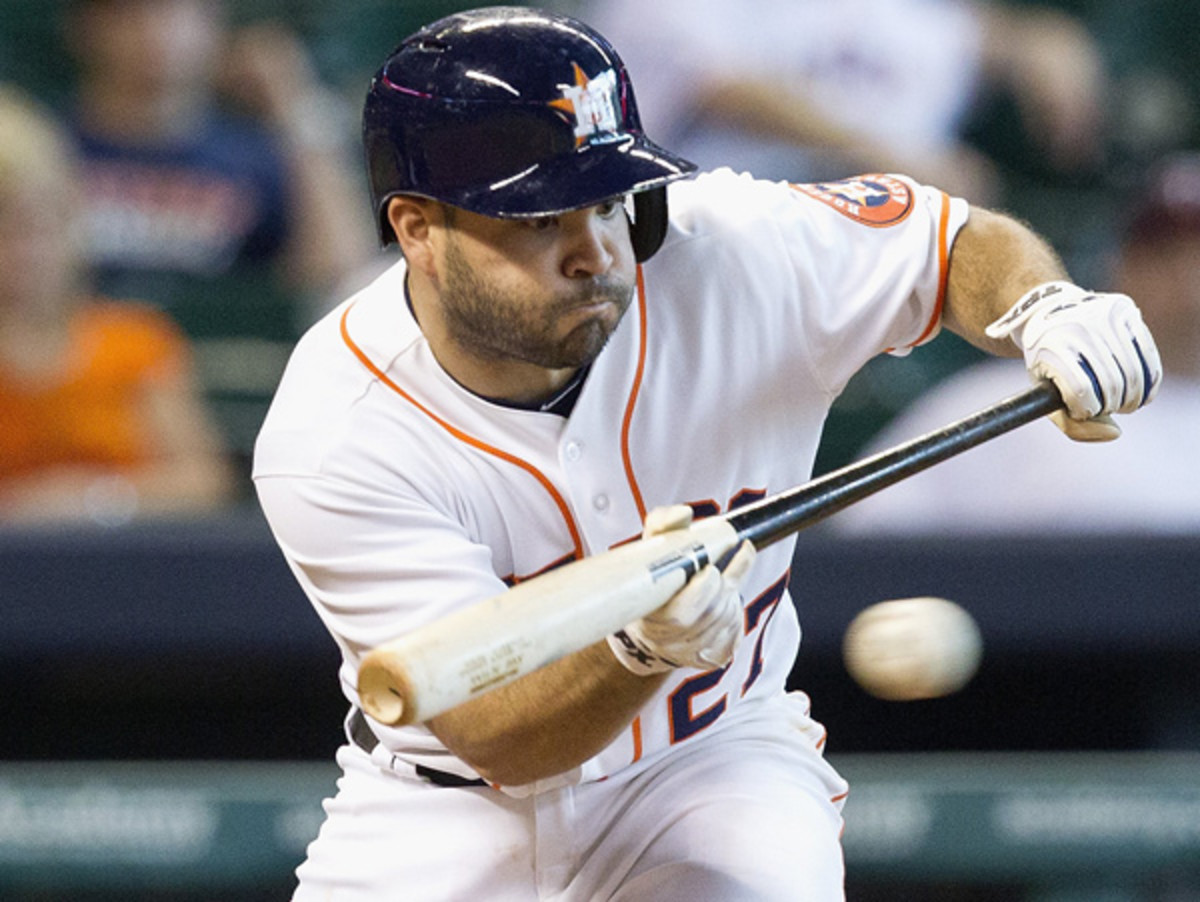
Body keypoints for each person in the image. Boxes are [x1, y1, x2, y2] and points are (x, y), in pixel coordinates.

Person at [252, 8, 1161, 899]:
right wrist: (638, 648)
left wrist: (1043, 308)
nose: (596, 252)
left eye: (608, 200)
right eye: (539, 220)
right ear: (416, 228)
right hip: (445, 811)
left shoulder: (726, 246)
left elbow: (946, 240)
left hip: (713, 762)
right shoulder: (337, 427)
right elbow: (498, 735)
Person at [833, 151, 1200, 536]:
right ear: (1120, 264)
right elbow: (864, 543)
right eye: (1166, 257)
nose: (1188, 279)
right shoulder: (1009, 400)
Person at [584, 0, 1110, 205]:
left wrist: (1035, 40)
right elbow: (724, 89)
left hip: (859, 232)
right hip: (694, 228)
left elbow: (949, 39)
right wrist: (883, 154)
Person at [60, 0, 374, 333]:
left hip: (228, 358)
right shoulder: (45, 144)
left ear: (214, 23)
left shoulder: (254, 156)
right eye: (130, 12)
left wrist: (293, 102)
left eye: (177, 10)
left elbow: (342, 271)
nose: (156, 31)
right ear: (86, 26)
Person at [0, 84, 236, 526]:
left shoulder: (135, 339)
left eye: (38, 227)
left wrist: (93, 499)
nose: (24, 252)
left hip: (122, 573)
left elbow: (203, 482)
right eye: (5, 230)